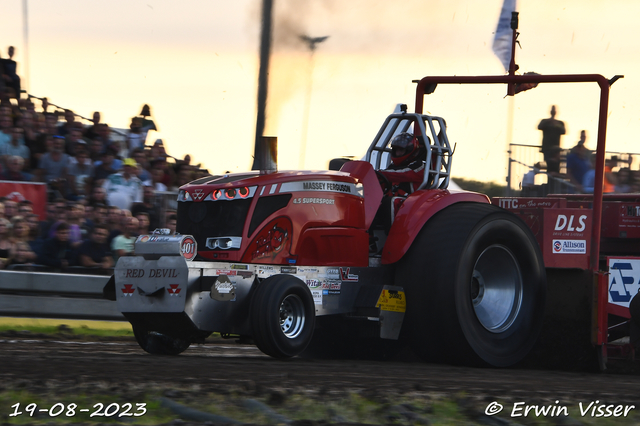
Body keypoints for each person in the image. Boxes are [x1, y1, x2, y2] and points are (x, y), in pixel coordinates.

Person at [538, 105, 566, 174]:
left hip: (556, 150)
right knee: (549, 167)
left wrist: (556, 124)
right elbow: (539, 126)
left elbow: (563, 131)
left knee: (556, 167)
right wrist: (550, 122)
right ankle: (549, 183)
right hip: (547, 149)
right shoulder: (545, 121)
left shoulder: (560, 123)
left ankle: (553, 184)